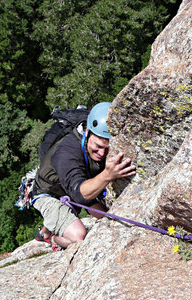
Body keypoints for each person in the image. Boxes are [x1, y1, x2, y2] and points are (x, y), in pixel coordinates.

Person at [32, 102, 136, 250]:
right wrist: (108, 175)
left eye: (107, 149)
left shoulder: (92, 137)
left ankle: (45, 231)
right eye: (98, 146)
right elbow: (80, 194)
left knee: (109, 217)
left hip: (74, 185)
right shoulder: (66, 152)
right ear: (87, 132)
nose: (102, 154)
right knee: (78, 236)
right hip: (48, 194)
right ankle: (53, 238)